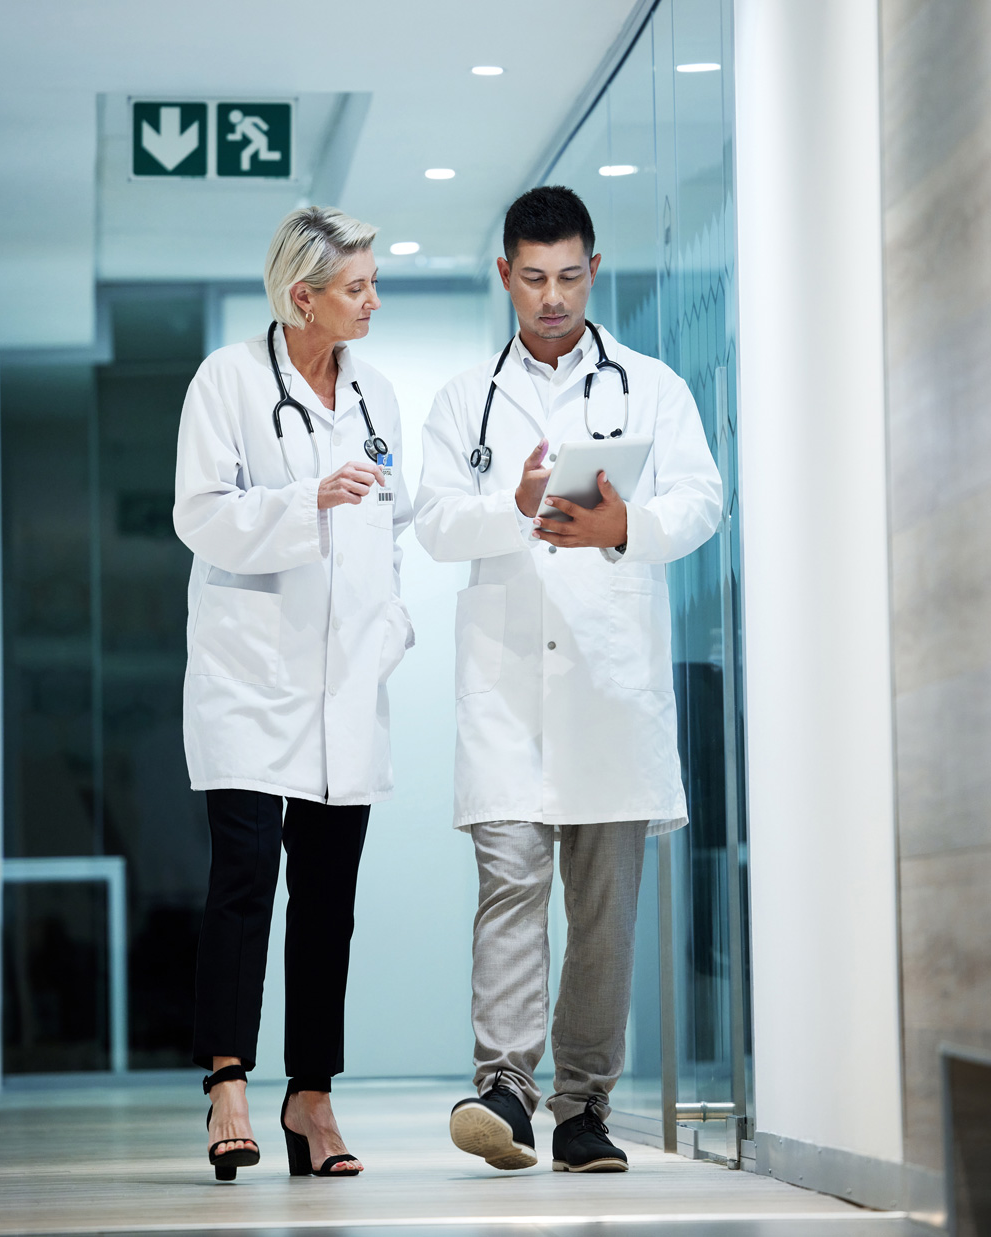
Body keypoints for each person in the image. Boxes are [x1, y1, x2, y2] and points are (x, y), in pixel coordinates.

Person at [414, 186, 721, 1174]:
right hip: (507, 689)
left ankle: (584, 1109)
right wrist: (511, 506)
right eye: (535, 278)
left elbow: (703, 499)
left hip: (607, 690)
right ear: (504, 273)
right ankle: (504, 1086)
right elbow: (432, 521)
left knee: (602, 914)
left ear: (594, 269)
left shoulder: (652, 386)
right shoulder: (467, 398)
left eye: (571, 277)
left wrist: (624, 529)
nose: (553, 298)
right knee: (508, 884)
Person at [173, 206, 413, 1180]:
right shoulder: (229, 383)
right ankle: (227, 1083)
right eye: (356, 286)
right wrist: (298, 500)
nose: (372, 300)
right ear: (300, 295)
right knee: (242, 880)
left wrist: (391, 626)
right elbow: (200, 515)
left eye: (372, 282)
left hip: (346, 679)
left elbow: (392, 527)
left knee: (328, 899)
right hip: (248, 673)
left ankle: (311, 1099)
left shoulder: (376, 395)